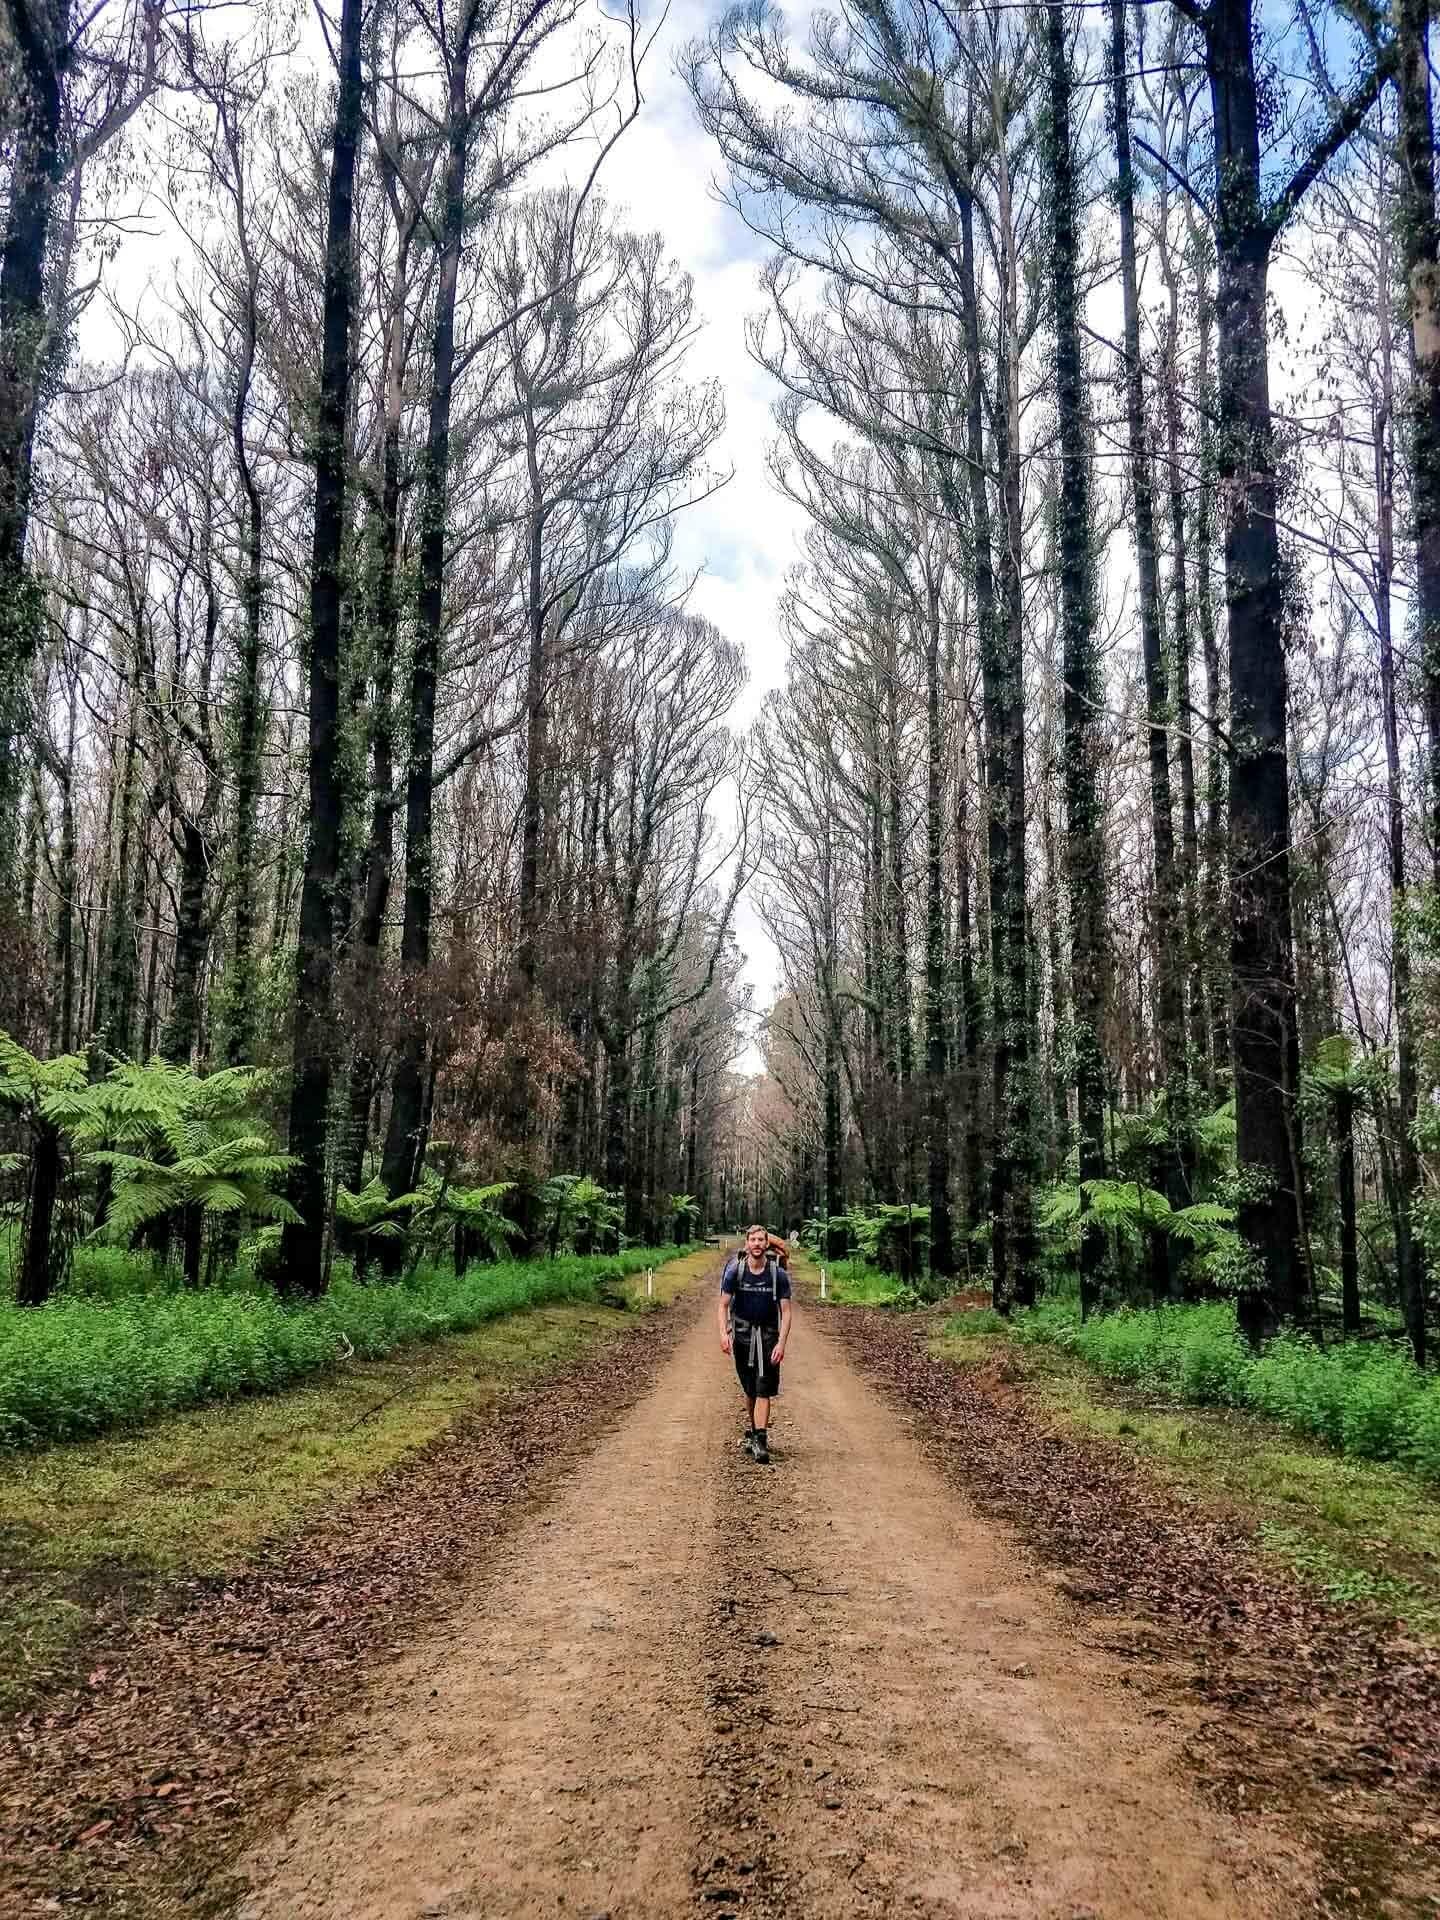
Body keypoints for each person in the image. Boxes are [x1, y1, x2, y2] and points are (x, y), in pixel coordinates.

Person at [718, 1222, 792, 1464]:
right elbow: (723, 1305)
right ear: (747, 1243)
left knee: (763, 1388)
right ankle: (753, 1432)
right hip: (742, 1335)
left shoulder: (777, 1274)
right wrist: (723, 1332)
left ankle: (761, 1439)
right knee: (750, 1388)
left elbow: (787, 1311)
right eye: (753, 1240)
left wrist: (781, 1343)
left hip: (769, 1336)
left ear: (766, 1243)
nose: (757, 1244)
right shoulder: (735, 1271)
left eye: (761, 1240)